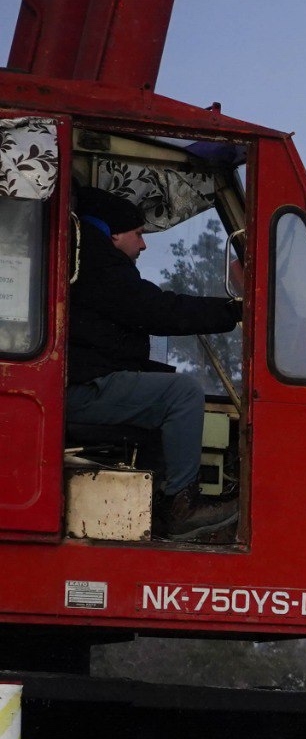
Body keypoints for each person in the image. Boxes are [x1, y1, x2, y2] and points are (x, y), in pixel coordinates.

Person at [66, 186, 243, 542]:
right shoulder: (99, 265)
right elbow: (155, 309)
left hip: (79, 383)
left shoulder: (87, 259)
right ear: (114, 232)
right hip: (78, 391)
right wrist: (232, 312)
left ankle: (157, 505)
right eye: (139, 234)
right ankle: (181, 508)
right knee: (182, 394)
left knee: (158, 391)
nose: (143, 245)